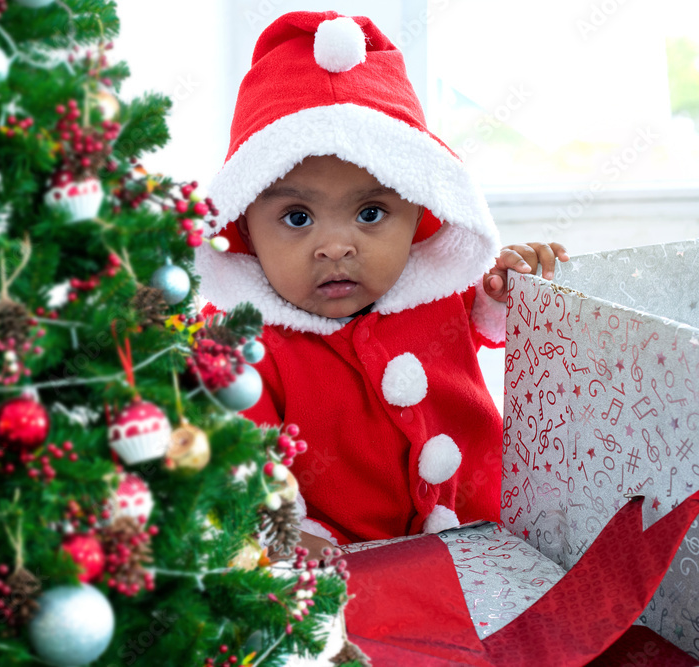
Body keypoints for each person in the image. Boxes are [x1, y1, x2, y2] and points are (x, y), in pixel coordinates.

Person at [194, 11, 568, 560]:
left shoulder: (438, 289)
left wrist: (513, 290)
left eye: (371, 212)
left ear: (420, 212)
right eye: (297, 218)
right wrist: (275, 532)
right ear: (244, 225)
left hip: (488, 540)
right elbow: (235, 459)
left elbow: (505, 331)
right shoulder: (243, 342)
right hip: (345, 568)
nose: (337, 247)